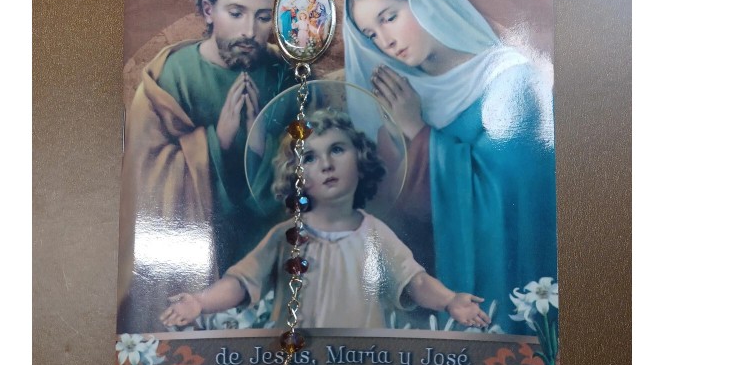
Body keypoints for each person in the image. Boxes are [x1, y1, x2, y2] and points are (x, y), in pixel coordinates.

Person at [343, 0, 557, 333]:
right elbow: (394, 213)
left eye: (389, 17)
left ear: (425, 1)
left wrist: (417, 131)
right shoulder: (402, 95)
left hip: (507, 277)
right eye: (371, 35)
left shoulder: (508, 78)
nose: (386, 41)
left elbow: (512, 192)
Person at [159, 109, 490, 333]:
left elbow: (415, 282)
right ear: (296, 174)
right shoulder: (286, 237)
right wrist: (200, 301)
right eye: (310, 157)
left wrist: (449, 300)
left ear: (360, 158)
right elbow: (241, 283)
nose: (326, 164)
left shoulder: (375, 234)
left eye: (337, 150)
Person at [117, 0, 292, 333]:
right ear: (208, 11)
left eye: (263, 17)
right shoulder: (171, 77)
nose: (249, 31)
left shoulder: (282, 75)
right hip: (199, 238)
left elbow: (302, 165)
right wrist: (218, 142)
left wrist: (262, 147)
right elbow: (146, 175)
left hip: (261, 243)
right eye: (236, 13)